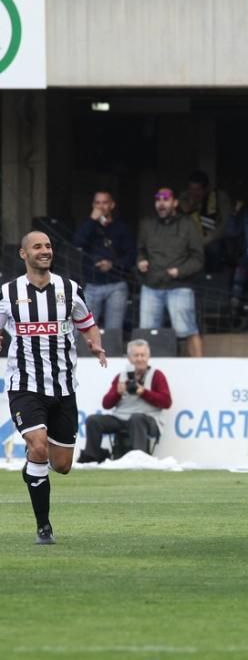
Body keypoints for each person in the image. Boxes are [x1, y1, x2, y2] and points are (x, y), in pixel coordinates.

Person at [0, 231, 108, 544]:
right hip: (25, 384)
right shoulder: (8, 293)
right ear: (24, 254)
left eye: (48, 246)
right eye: (38, 247)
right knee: (38, 445)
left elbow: (87, 323)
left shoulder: (69, 289)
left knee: (61, 465)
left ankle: (32, 472)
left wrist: (96, 345)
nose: (45, 251)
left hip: (63, 387)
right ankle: (44, 527)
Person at [77, 339, 171, 464]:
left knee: (137, 418)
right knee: (93, 420)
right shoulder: (121, 377)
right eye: (136, 355)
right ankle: (91, 458)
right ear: (129, 358)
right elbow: (106, 404)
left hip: (149, 418)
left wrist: (144, 392)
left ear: (148, 357)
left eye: (143, 355)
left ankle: (139, 460)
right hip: (121, 417)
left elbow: (166, 402)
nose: (139, 359)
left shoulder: (157, 375)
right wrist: (117, 393)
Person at [137, 187, 205, 357]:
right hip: (151, 285)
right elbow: (140, 251)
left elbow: (198, 258)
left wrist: (179, 271)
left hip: (179, 285)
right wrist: (140, 261)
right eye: (158, 199)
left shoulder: (188, 224)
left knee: (187, 330)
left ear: (175, 203)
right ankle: (147, 375)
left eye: (165, 199)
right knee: (147, 333)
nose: (161, 203)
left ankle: (199, 368)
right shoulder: (147, 224)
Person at [72, 190, 136, 331]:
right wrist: (92, 220)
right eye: (98, 203)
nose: (101, 206)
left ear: (112, 205)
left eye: (105, 202)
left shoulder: (121, 228)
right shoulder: (88, 225)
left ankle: (112, 354)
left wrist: (112, 265)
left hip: (117, 284)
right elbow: (77, 242)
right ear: (93, 205)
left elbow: (131, 256)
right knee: (85, 329)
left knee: (113, 331)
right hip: (92, 284)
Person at [180, 170, 234, 272]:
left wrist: (204, 241)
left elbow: (224, 225)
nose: (194, 193)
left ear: (206, 188)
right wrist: (190, 206)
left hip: (211, 237)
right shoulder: (185, 197)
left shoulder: (219, 198)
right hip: (190, 237)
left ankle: (212, 277)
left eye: (198, 189)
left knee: (214, 249)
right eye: (191, 189)